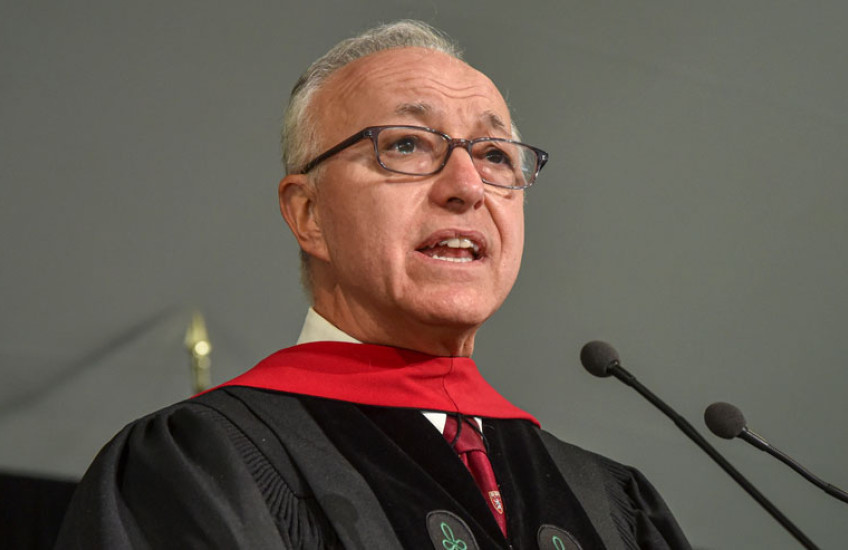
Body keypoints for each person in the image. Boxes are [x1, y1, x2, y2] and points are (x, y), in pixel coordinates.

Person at [56, 20, 690, 549]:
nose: (467, 186)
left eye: (495, 155)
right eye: (408, 145)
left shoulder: (608, 501)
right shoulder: (204, 465)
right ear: (309, 213)